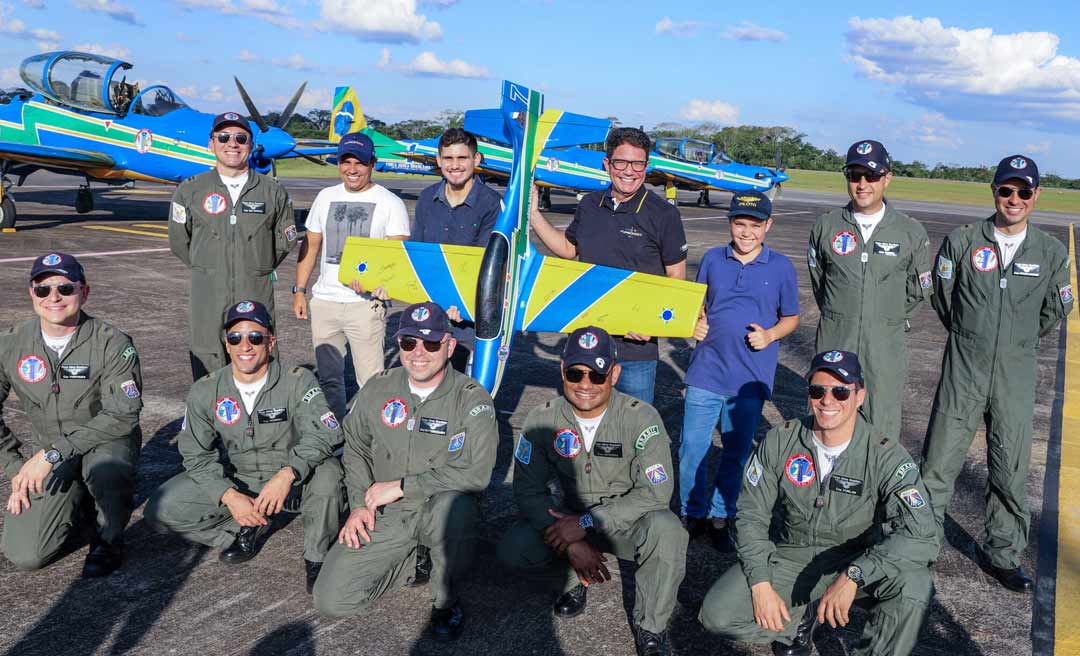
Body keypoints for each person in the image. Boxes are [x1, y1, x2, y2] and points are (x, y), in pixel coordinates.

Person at [699, 351, 936, 656]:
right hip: (792, 555)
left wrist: (855, 574)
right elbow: (751, 515)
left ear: (859, 396)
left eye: (840, 391)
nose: (827, 401)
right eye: (817, 390)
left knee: (914, 586)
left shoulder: (885, 456)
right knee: (717, 615)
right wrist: (760, 585)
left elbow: (921, 534)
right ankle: (800, 618)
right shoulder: (781, 441)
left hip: (857, 557)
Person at [921, 154, 1072, 592]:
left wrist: (1013, 341)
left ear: (1036, 195)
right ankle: (921, 546)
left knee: (1010, 468)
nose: (1014, 199)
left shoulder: (1050, 251)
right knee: (938, 464)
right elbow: (944, 299)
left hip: (1016, 371)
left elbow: (1054, 310)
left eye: (1024, 191)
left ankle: (1001, 553)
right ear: (994, 191)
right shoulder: (964, 240)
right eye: (1007, 189)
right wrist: (975, 336)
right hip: (964, 368)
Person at [313, 302, 498, 642]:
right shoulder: (379, 388)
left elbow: (477, 473)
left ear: (450, 345)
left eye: (430, 344)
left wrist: (402, 485)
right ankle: (415, 560)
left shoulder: (471, 399)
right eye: (409, 342)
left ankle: (445, 601)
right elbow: (354, 446)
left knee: (451, 509)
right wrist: (357, 504)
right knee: (331, 600)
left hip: (437, 510)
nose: (418, 353)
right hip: (388, 514)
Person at [497, 326, 687, 656]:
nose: (585, 385)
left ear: (614, 374)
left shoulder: (641, 418)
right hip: (569, 518)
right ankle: (573, 581)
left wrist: (585, 525)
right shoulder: (543, 419)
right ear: (562, 370)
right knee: (515, 548)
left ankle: (650, 626)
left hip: (625, 523)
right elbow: (528, 491)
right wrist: (572, 543)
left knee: (668, 530)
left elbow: (656, 493)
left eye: (597, 375)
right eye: (575, 373)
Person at [145, 300, 344, 594]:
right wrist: (228, 495)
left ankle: (317, 557)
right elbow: (196, 454)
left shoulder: (298, 381)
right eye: (235, 337)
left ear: (270, 341)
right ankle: (243, 529)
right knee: (161, 510)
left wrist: (288, 473)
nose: (245, 346)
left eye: (255, 337)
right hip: (243, 477)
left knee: (329, 476)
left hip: (296, 479)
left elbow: (327, 433)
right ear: (227, 343)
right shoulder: (206, 389)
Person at [0, 252, 142, 576]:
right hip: (50, 452)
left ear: (84, 292)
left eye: (65, 288)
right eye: (43, 289)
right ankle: (77, 500)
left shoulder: (112, 343)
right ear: (31, 293)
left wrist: (50, 456)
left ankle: (108, 536)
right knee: (26, 555)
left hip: (103, 444)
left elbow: (124, 414)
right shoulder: (10, 344)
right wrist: (16, 468)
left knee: (108, 470)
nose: (54, 297)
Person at [530, 127, 688, 404]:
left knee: (631, 428)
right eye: (621, 162)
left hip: (635, 350)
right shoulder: (590, 204)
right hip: (586, 343)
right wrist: (532, 214)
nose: (629, 171)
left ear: (647, 166)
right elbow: (568, 249)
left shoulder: (664, 214)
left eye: (638, 164)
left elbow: (676, 276)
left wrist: (653, 322)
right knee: (582, 424)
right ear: (607, 164)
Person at [679, 191, 799, 549]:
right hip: (706, 370)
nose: (746, 232)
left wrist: (771, 334)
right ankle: (692, 511)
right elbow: (699, 305)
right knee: (692, 446)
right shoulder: (714, 259)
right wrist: (694, 323)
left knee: (736, 451)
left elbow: (791, 318)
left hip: (749, 379)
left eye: (755, 225)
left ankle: (721, 513)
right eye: (739, 223)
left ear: (768, 226)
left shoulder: (781, 267)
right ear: (730, 223)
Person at [807, 140, 931, 438]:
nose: (862, 184)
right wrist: (842, 314)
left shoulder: (910, 231)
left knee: (881, 425)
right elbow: (819, 281)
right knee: (828, 418)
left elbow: (918, 289)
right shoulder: (826, 227)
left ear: (887, 177)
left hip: (885, 345)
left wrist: (887, 317)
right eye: (854, 175)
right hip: (836, 337)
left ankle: (875, 484)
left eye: (871, 176)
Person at [169, 111, 297, 381]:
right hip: (207, 290)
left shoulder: (272, 191)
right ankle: (209, 419)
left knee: (259, 354)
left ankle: (261, 420)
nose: (232, 144)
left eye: (241, 138)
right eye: (224, 137)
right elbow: (180, 241)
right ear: (211, 144)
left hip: (255, 288)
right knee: (206, 356)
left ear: (251, 145)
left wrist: (255, 265)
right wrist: (208, 267)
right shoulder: (190, 190)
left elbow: (284, 241)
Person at [292, 132, 410, 419]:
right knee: (329, 379)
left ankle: (365, 437)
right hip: (325, 302)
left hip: (364, 306)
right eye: (346, 161)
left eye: (360, 162)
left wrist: (376, 284)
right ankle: (333, 436)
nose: (352, 169)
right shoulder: (325, 197)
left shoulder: (390, 202)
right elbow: (312, 243)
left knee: (370, 381)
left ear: (373, 163)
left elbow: (398, 255)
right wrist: (299, 291)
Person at [412, 128, 501, 373]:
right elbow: (417, 255)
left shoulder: (492, 204)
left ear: (476, 159)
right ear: (439, 161)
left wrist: (457, 301)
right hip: (430, 314)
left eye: (462, 158)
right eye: (448, 158)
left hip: (469, 318)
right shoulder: (427, 199)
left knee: (465, 390)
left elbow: (483, 265)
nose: (455, 165)